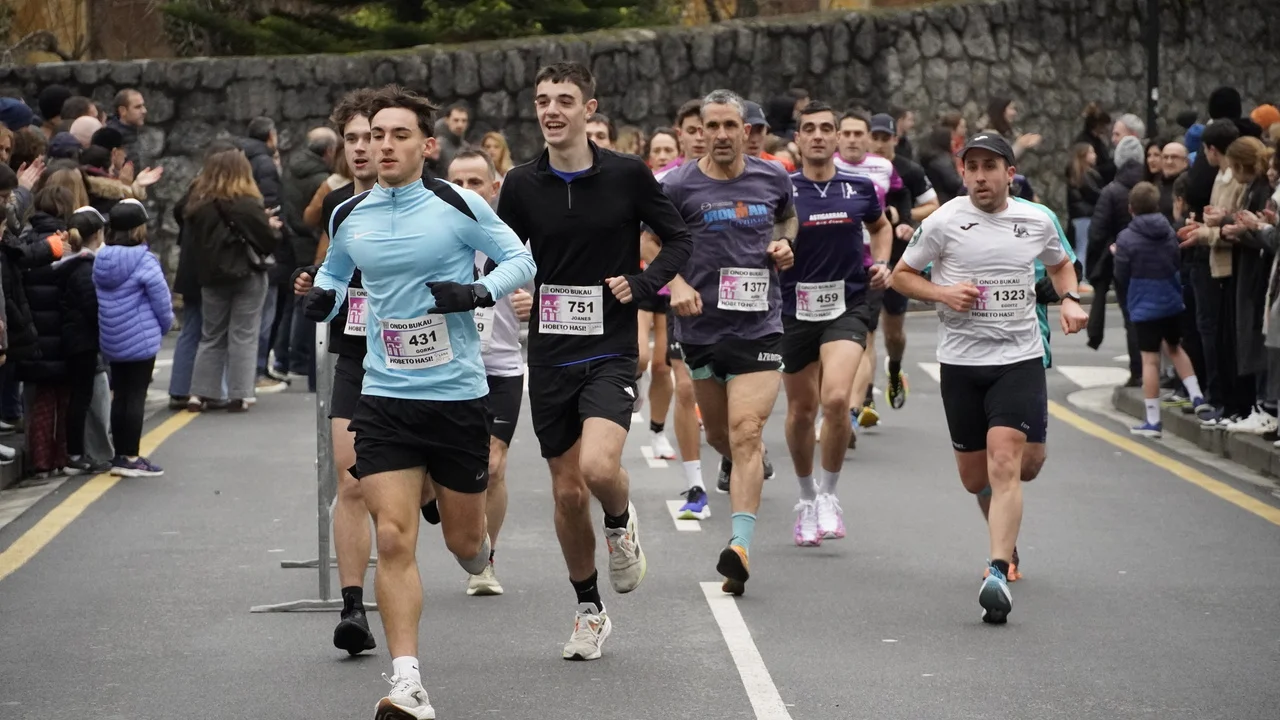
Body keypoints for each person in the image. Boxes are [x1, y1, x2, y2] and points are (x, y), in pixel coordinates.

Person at [302, 84, 535, 718]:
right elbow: (335, 271)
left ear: (426, 145)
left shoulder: (456, 203)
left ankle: (467, 530)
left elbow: (520, 260)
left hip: (456, 397)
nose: (384, 145)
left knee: (465, 545)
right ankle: (407, 681)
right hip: (385, 395)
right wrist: (322, 297)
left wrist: (477, 292)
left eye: (399, 135)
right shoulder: (349, 213)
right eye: (376, 135)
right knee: (394, 537)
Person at [496, 62, 692, 660]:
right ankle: (589, 610)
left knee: (599, 469)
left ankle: (620, 522)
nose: (551, 110)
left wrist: (644, 282)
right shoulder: (521, 184)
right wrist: (516, 288)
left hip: (609, 347)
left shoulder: (627, 175)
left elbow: (679, 238)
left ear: (589, 109)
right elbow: (502, 254)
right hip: (550, 353)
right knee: (566, 494)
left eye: (564, 100)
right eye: (542, 100)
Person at [891, 132, 1087, 623]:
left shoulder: (1037, 219)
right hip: (961, 363)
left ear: (1009, 173)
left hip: (1019, 359)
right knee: (976, 478)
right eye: (972, 167)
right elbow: (901, 276)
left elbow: (1062, 265)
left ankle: (997, 570)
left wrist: (1069, 299)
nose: (980, 176)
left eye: (990, 167)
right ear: (963, 173)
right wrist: (943, 293)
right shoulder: (943, 221)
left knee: (1011, 463)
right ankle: (1003, 535)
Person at [661, 89, 795, 596]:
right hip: (700, 329)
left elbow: (787, 217)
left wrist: (785, 243)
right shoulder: (677, 185)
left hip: (760, 326)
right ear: (699, 131)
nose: (720, 135)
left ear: (746, 131)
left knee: (745, 430)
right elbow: (649, 241)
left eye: (729, 126)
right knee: (721, 435)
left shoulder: (773, 177)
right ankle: (739, 459)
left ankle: (738, 546)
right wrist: (676, 283)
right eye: (710, 126)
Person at [289, 88, 381, 655]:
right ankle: (353, 609)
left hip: (420, 361)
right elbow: (333, 274)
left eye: (372, 136)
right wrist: (313, 284)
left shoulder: (433, 201)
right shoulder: (339, 204)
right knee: (351, 481)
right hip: (354, 353)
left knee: (433, 498)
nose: (363, 148)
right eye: (352, 139)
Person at [781, 101, 892, 546]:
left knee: (837, 398)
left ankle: (829, 494)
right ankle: (806, 497)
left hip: (846, 305)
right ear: (798, 139)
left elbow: (880, 227)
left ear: (837, 137)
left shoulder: (859, 186)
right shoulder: (782, 189)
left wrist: (881, 261)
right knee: (801, 411)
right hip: (793, 309)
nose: (819, 135)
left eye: (827, 128)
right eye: (809, 129)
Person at [446, 149, 535, 595]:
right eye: (457, 183)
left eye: (475, 182)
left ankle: (485, 562)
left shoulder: (516, 241)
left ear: (494, 188)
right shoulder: (434, 237)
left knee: (494, 464)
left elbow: (546, 290)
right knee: (440, 472)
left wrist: (533, 304)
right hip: (444, 368)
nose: (466, 191)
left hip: (500, 367)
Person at [185, 148, 284, 413]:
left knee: (211, 336)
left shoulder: (197, 206)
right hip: (247, 274)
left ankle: (199, 394)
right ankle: (240, 395)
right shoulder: (247, 204)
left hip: (211, 277)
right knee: (244, 334)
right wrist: (271, 226)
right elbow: (268, 241)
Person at [1115, 182, 1205, 437]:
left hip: (1144, 304)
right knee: (1175, 348)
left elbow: (1121, 273)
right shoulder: (1168, 230)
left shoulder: (1126, 238)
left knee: (1150, 361)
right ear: (1156, 205)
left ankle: (1153, 420)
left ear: (1131, 208)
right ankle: (1197, 395)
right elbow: (1176, 259)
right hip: (1170, 299)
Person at [92, 199, 173, 477]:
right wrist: (164, 326)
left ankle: (118, 456)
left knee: (120, 395)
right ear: (139, 228)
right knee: (136, 396)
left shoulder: (101, 259)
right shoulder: (144, 260)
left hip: (112, 337)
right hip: (141, 338)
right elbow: (161, 301)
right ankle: (131, 456)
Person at [60, 206, 111, 475]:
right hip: (82, 340)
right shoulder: (86, 269)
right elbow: (93, 309)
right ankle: (76, 454)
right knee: (81, 397)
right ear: (98, 234)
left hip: (73, 337)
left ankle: (77, 452)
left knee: (79, 396)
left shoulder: (68, 263)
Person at [1067, 142, 1103, 263]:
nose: (1095, 155)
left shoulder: (1076, 174)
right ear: (1083, 155)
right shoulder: (1086, 175)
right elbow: (1095, 194)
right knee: (1083, 249)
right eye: (1091, 152)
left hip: (1079, 216)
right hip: (1086, 216)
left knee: (1080, 247)